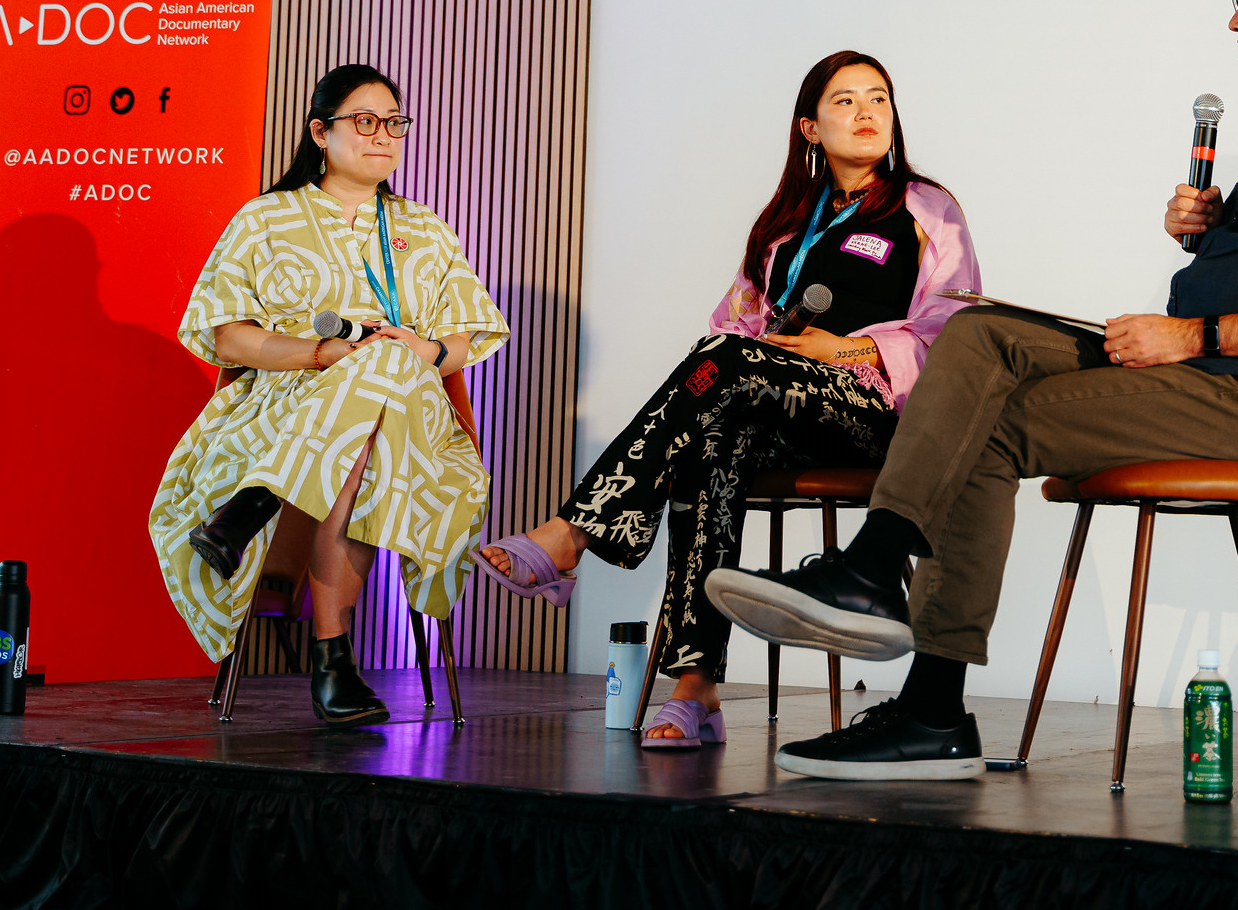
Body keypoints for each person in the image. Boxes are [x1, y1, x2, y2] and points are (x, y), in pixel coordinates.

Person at [708, 0, 1238, 780]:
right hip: (1210, 369)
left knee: (988, 424)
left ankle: (924, 691)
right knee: (978, 332)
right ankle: (875, 578)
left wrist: (1189, 332)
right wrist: (1218, 234)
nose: (1234, 20)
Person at [475, 51, 980, 750]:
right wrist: (764, 356)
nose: (867, 113)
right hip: (777, 403)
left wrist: (850, 349)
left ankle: (574, 532)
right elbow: (733, 327)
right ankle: (697, 686)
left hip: (876, 411)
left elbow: (955, 329)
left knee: (724, 373)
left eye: (878, 98)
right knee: (712, 436)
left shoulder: (927, 208)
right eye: (845, 101)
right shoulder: (783, 224)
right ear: (809, 127)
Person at [148, 63, 509, 728]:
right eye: (365, 121)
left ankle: (252, 505)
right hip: (284, 407)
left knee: (385, 364)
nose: (384, 136)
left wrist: (420, 348)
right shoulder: (265, 218)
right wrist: (319, 353)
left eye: (394, 123)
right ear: (320, 131)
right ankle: (332, 657)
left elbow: (460, 341)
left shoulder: (424, 228)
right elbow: (228, 335)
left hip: (412, 415)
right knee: (366, 424)